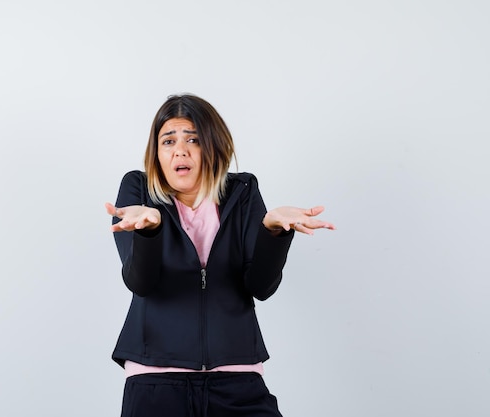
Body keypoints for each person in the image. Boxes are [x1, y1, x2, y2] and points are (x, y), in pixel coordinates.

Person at [105, 94, 335, 417]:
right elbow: (140, 281)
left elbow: (261, 286)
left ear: (212, 146)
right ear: (157, 153)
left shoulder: (242, 193)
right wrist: (149, 231)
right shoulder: (139, 193)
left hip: (238, 382)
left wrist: (273, 232)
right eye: (168, 140)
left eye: (193, 139)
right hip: (155, 383)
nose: (180, 150)